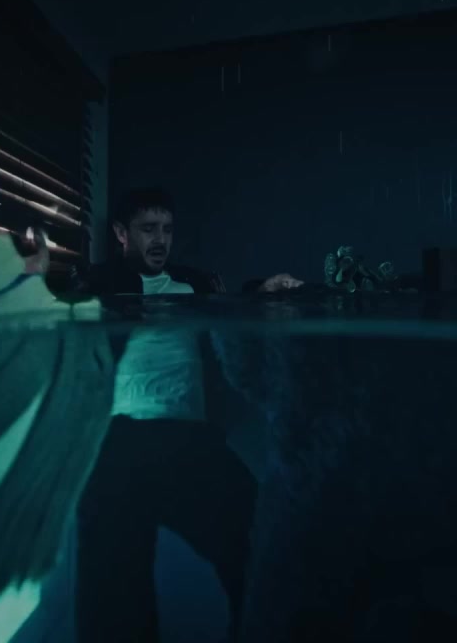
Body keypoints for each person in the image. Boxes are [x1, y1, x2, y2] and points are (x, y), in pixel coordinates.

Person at [74, 187, 301, 643]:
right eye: (148, 229)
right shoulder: (97, 283)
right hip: (119, 442)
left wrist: (264, 294)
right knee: (112, 585)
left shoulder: (194, 284)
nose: (160, 239)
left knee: (262, 541)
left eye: (167, 229)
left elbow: (234, 308)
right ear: (121, 233)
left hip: (188, 440)